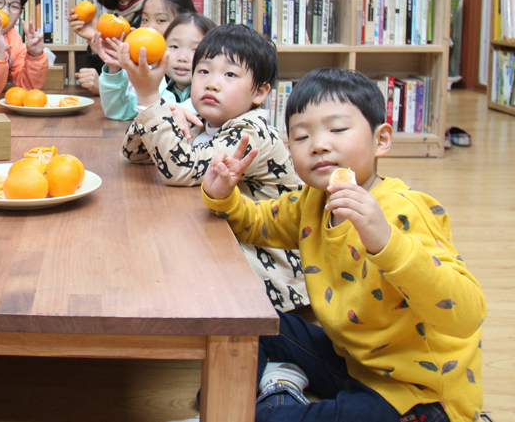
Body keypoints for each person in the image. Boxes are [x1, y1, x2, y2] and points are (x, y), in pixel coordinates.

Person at [199, 67, 485, 422]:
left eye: (337, 130)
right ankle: (250, 396)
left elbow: (467, 314)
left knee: (264, 416)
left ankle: (269, 398)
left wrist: (386, 242)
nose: (318, 144)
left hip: (420, 396)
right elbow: (258, 224)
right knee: (250, 322)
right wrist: (222, 194)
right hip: (356, 366)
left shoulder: (403, 211)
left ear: (381, 140)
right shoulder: (312, 200)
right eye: (301, 137)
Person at [122, 24, 307, 313]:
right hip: (221, 245)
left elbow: (181, 169)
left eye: (230, 74)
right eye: (204, 71)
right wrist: (167, 113)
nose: (211, 83)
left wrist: (149, 99)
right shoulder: (201, 119)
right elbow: (133, 153)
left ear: (259, 93)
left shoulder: (252, 133)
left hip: (267, 276)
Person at [70, 0, 168, 94]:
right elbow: (107, 75)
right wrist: (95, 40)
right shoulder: (113, 21)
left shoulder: (167, 12)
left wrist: (103, 88)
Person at [97, 10, 213, 121]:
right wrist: (114, 69)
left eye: (195, 49)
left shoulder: (211, 93)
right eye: (174, 46)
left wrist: (148, 92)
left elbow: (173, 115)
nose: (182, 57)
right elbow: (118, 111)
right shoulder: (162, 84)